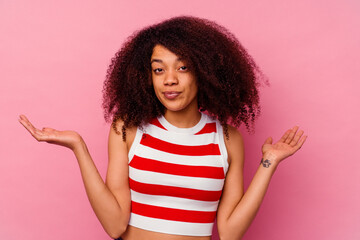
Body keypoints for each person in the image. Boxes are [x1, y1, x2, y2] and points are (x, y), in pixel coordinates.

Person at [18, 16, 307, 240]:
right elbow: (114, 224)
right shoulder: (129, 130)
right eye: (159, 69)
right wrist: (78, 146)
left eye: (182, 68)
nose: (169, 79)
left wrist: (269, 162)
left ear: (203, 72)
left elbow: (230, 232)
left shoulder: (227, 139)